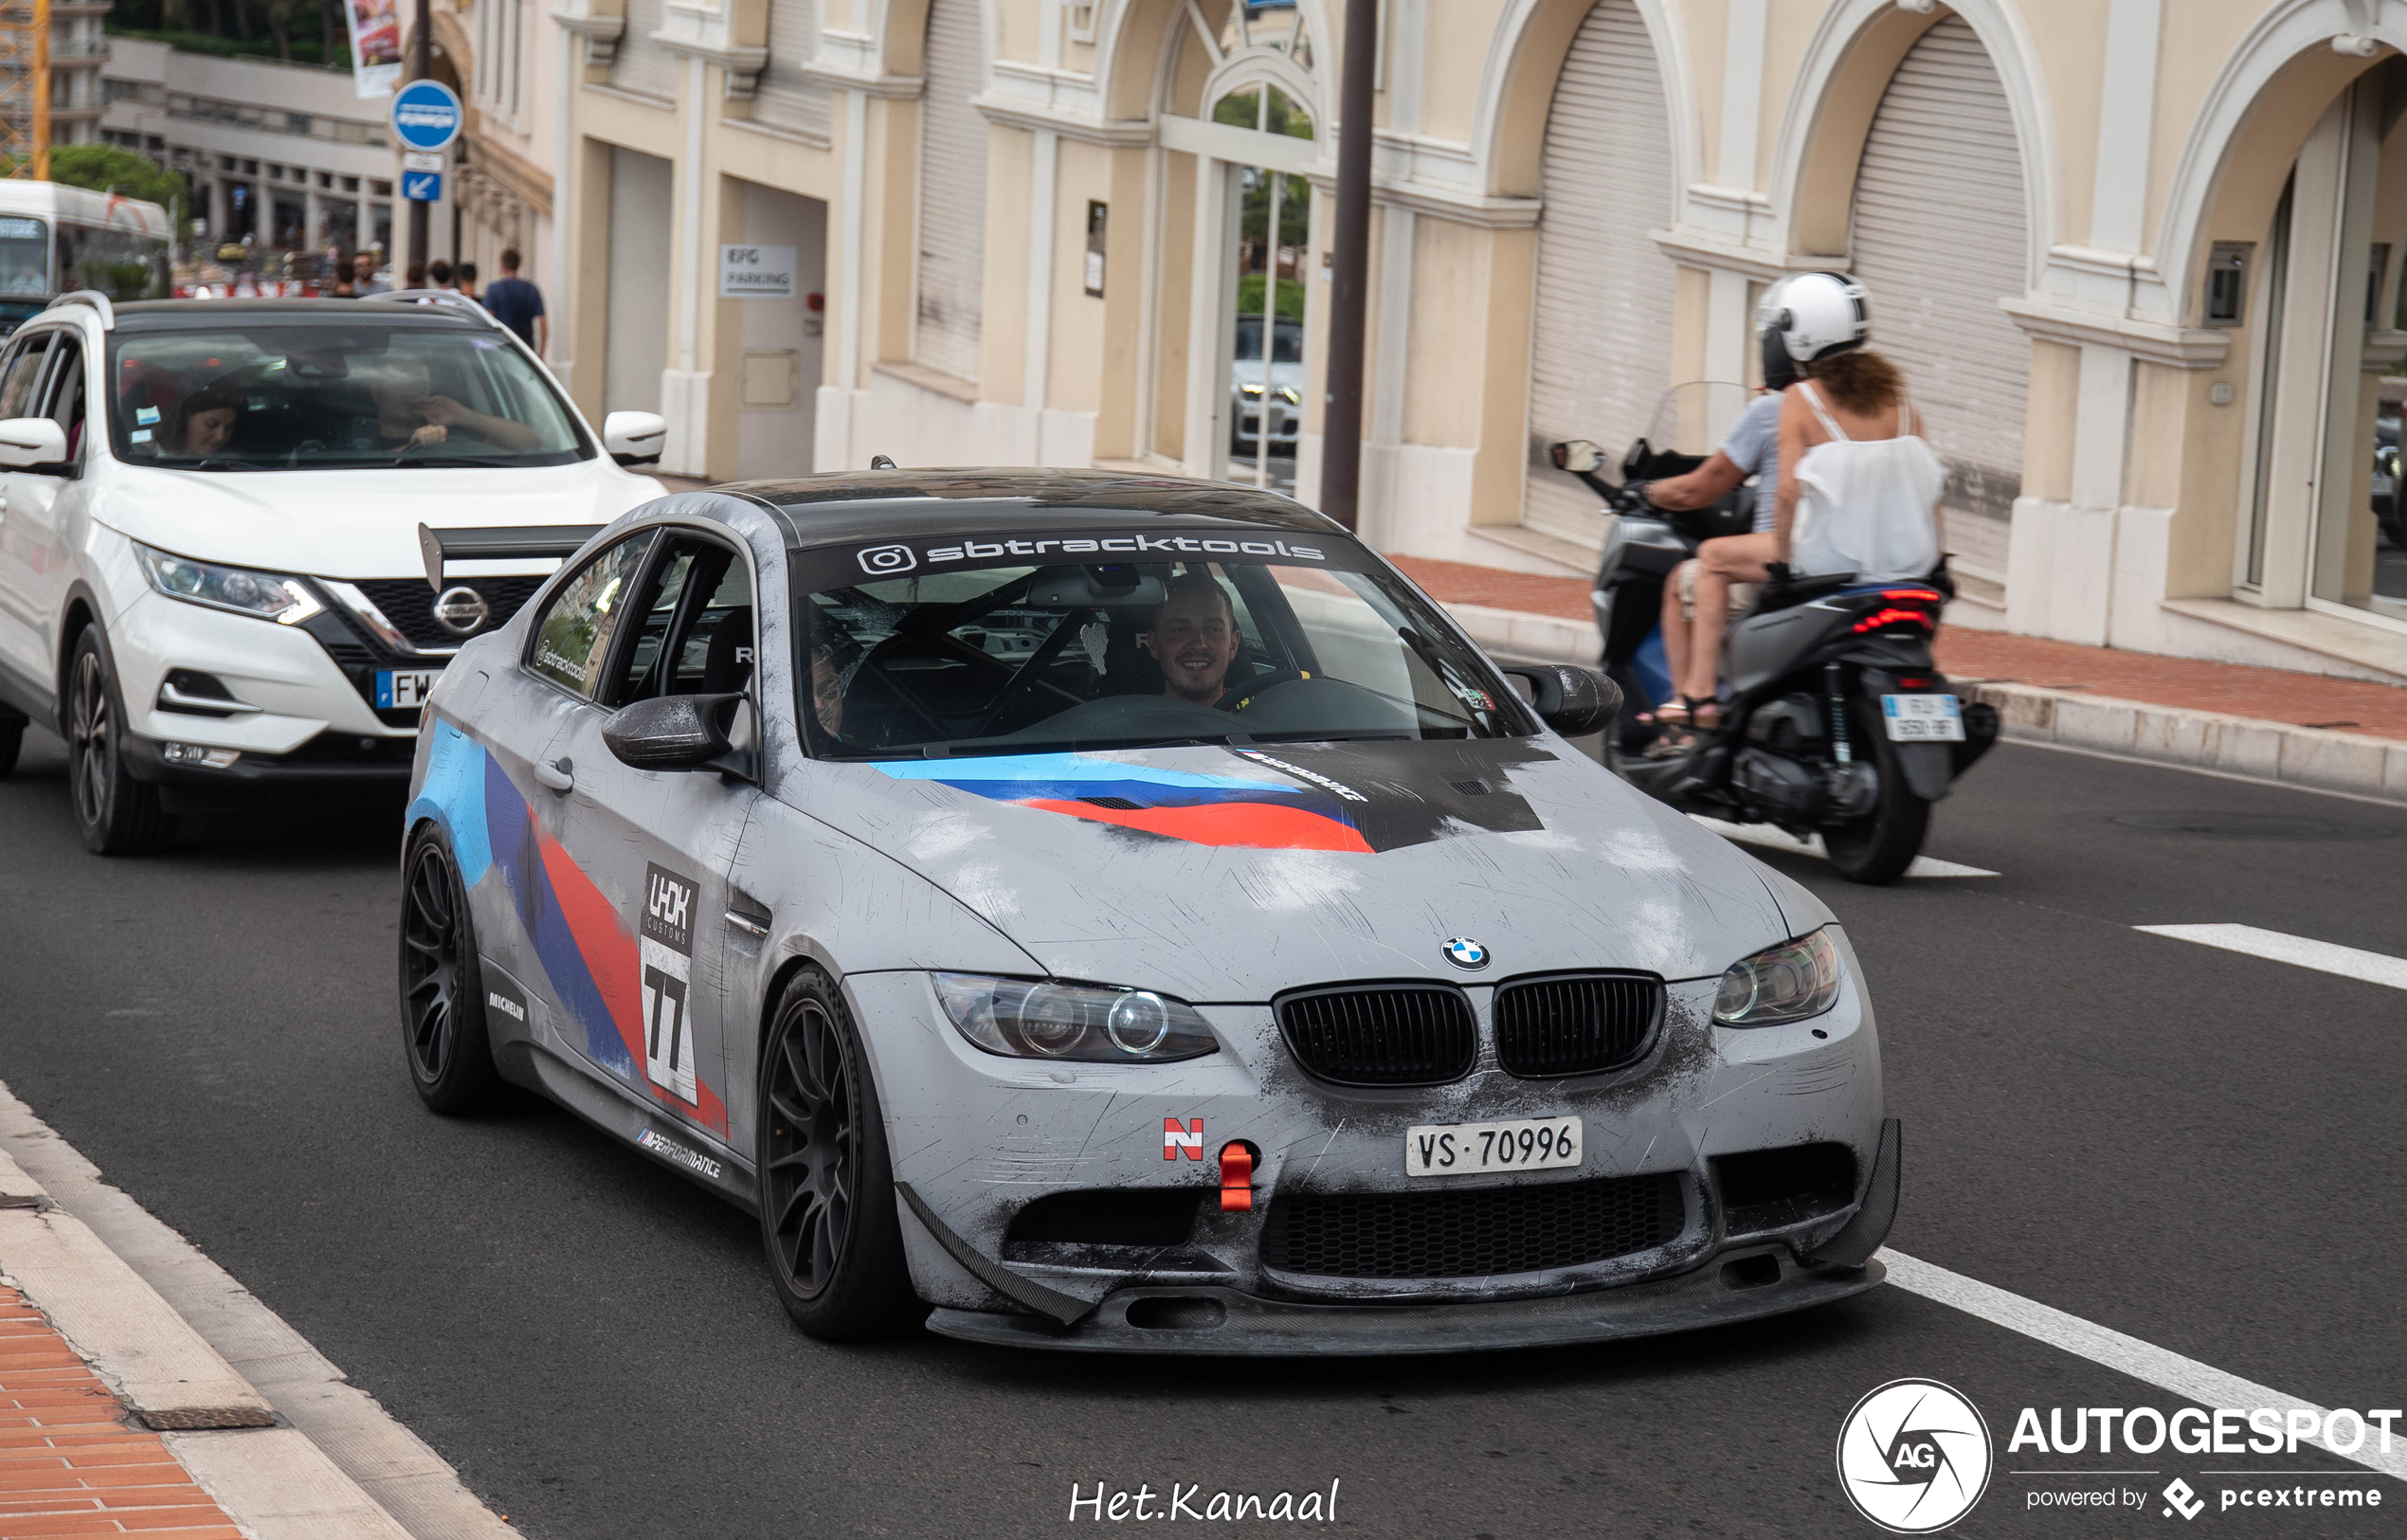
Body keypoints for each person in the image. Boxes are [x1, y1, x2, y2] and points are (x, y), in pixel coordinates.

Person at [1637, 360, 1791, 747]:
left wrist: (1647, 491)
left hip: (1786, 559)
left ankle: (1691, 701)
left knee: (1695, 570)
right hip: (1855, 563)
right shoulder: (1859, 409)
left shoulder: (1775, 409)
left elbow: (1700, 488)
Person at [366, 355, 542, 452]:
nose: (413, 391)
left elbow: (530, 442)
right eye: (402, 383)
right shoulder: (350, 441)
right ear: (376, 392)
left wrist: (464, 416)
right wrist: (414, 447)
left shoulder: (451, 435)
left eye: (420, 384)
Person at [1142, 573, 1244, 705]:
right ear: (1154, 644)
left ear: (1233, 645)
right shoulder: (1127, 723)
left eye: (1213, 629)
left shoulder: (1261, 715)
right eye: (1180, 630)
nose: (1198, 644)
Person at [481, 248, 547, 353]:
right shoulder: (531, 289)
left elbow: (488, 319)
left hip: (500, 347)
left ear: (502, 266)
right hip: (526, 349)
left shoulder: (494, 289)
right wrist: (541, 353)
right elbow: (543, 324)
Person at [157, 380, 242, 459]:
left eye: (228, 428)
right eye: (211, 425)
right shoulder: (153, 461)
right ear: (185, 421)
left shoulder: (235, 463)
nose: (220, 437)